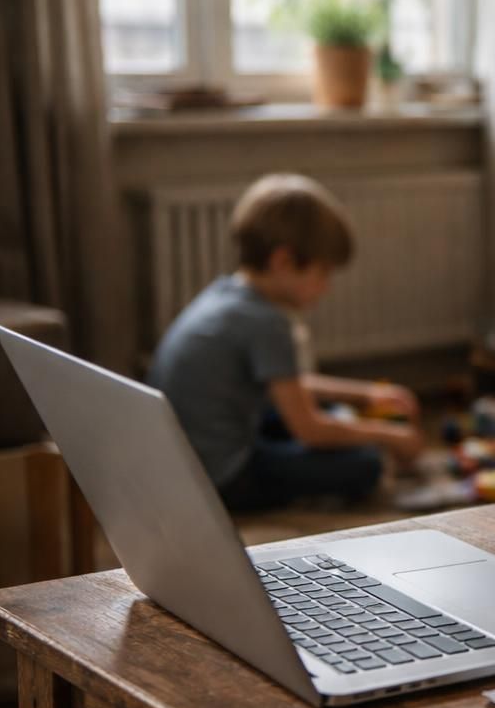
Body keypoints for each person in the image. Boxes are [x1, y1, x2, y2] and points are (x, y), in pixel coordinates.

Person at [150, 173, 424, 512]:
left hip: (187, 459)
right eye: (323, 273)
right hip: (221, 477)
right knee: (365, 463)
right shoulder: (267, 321)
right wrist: (390, 436)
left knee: (325, 416)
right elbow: (308, 428)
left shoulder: (229, 294)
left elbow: (287, 382)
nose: (326, 287)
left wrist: (365, 394)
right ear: (283, 261)